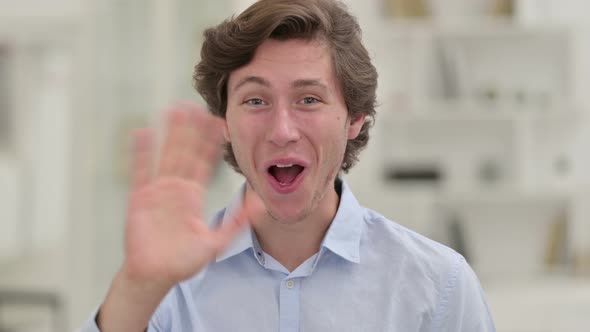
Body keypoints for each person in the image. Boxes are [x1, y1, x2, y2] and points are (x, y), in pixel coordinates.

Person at [82, 0, 495, 331]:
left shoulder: (440, 286)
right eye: (256, 100)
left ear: (354, 118)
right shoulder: (166, 285)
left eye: (308, 99)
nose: (282, 130)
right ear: (224, 121)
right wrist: (138, 287)